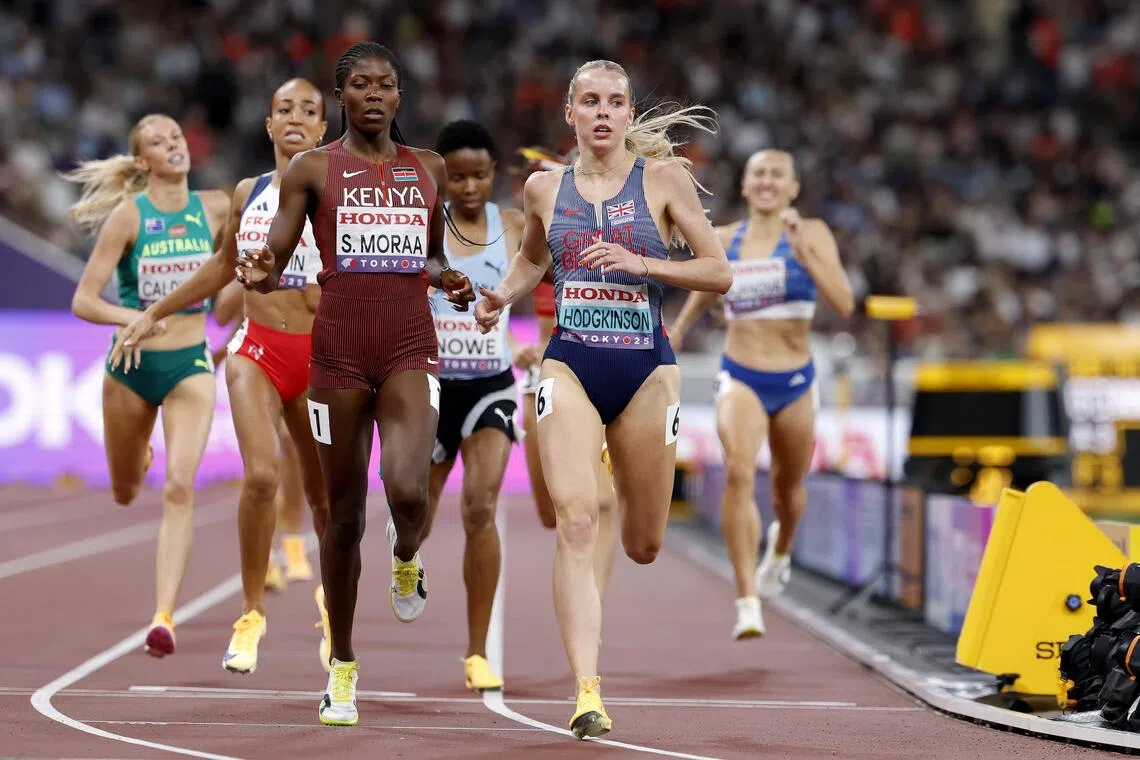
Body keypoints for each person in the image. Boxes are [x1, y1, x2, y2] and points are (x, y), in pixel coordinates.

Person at [474, 59, 732, 739]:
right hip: (571, 364)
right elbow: (533, 260)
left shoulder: (665, 182)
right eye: (590, 101)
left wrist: (644, 264)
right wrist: (501, 295)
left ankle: (628, 501)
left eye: (615, 102)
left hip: (647, 372)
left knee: (644, 542)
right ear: (570, 113)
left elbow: (719, 271)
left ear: (628, 115)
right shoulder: (542, 188)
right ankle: (587, 691)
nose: (603, 113)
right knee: (577, 519)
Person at [234, 42, 474, 727]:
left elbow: (427, 256)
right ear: (343, 98)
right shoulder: (313, 169)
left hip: (408, 346)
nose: (375, 93)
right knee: (343, 516)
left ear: (401, 97)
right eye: (362, 84)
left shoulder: (425, 169)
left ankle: (406, 557)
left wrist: (447, 278)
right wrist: (257, 269)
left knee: (407, 490)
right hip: (335, 354)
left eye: (387, 84)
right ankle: (342, 668)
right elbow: (277, 251)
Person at [111, 79, 331, 674]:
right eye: (283, 108)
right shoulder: (248, 192)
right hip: (256, 351)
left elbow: (369, 274)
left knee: (323, 495)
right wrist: (154, 311)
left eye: (308, 111)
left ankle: (334, 604)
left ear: (322, 128)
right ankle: (252, 613)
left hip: (320, 359)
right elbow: (220, 265)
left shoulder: (341, 194)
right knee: (261, 476)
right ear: (268, 124)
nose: (294, 118)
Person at [668, 149, 854, 640]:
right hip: (741, 374)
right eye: (759, 174)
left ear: (793, 187)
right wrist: (682, 327)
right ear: (746, 186)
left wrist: (805, 251)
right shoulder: (727, 238)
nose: (767, 181)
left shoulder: (811, 234)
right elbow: (708, 285)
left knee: (789, 493)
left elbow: (844, 302)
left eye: (778, 174)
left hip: (795, 381)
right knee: (738, 471)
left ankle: (782, 549)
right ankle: (747, 599)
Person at [66, 114, 230, 657]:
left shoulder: (215, 208)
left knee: (180, 486)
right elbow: (83, 300)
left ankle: (164, 616)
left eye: (178, 137)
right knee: (124, 491)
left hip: (190, 364)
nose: (173, 146)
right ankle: (135, 455)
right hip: (131, 371)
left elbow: (240, 274)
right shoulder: (128, 216)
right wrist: (127, 319)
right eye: (159, 143)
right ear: (142, 162)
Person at [515, 148, 621, 598]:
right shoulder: (539, 230)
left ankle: (590, 601)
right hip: (544, 372)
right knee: (551, 510)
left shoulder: (615, 234)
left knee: (601, 500)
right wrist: (520, 349)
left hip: (598, 366)